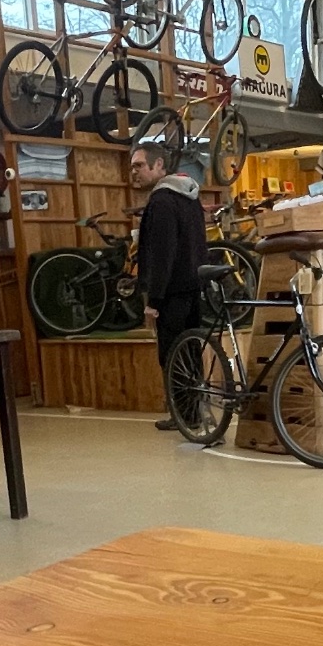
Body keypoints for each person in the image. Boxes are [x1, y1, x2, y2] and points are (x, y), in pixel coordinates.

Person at [131, 142, 206, 433]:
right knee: (191, 351)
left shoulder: (162, 201)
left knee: (172, 354)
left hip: (172, 291)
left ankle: (183, 417)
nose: (134, 172)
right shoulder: (189, 196)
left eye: (139, 165)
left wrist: (153, 300)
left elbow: (162, 254)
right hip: (193, 285)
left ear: (159, 165)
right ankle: (193, 413)